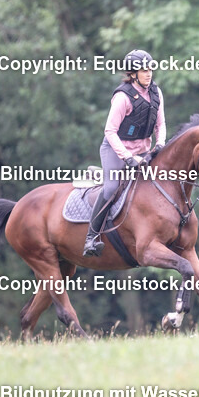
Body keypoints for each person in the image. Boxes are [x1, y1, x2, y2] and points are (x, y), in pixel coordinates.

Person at [83, 49, 166, 257]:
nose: (148, 73)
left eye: (150, 69)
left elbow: (160, 124)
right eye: (143, 70)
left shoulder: (156, 92)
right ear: (133, 73)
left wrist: (160, 143)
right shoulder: (123, 97)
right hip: (115, 149)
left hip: (143, 151)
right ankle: (91, 237)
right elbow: (110, 131)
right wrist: (127, 157)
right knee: (111, 187)